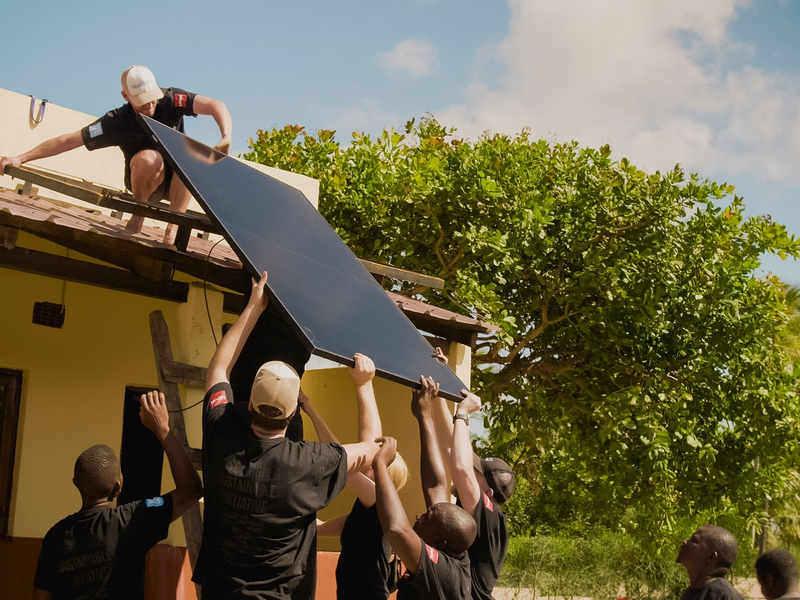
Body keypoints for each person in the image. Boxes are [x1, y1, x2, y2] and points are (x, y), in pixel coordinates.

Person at [195, 270, 381, 599]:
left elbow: (218, 370)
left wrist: (253, 307)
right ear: (295, 411)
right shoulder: (308, 463)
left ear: (249, 403)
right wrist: (364, 384)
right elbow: (372, 447)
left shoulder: (221, 433)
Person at [0, 64, 232, 245]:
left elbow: (215, 105)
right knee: (149, 158)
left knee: (190, 154)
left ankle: (172, 229)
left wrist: (226, 136)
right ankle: (138, 215)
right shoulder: (116, 122)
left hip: (179, 182)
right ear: (125, 96)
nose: (149, 105)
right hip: (145, 181)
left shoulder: (171, 100)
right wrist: (21, 158)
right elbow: (69, 140)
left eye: (151, 99)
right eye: (141, 102)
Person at [32, 391, 203, 600]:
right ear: (118, 486)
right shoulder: (132, 520)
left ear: (76, 484)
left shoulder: (55, 537)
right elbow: (191, 489)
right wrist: (162, 429)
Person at [303, 352, 410, 600]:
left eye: (375, 463)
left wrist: (311, 410)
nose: (367, 462)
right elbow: (320, 528)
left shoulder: (378, 502)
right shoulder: (365, 514)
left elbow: (339, 458)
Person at [374, 376, 477, 600]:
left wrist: (380, 464)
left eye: (426, 518)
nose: (419, 516)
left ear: (439, 543)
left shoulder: (444, 574)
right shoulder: (454, 549)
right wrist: (424, 416)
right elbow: (435, 486)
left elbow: (397, 530)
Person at [431, 347, 515, 600]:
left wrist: (464, 413)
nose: (468, 468)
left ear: (487, 492)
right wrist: (440, 387)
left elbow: (460, 468)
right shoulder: (479, 509)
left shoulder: (491, 517)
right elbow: (451, 449)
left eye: (474, 471)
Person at [677, 524, 744, 600]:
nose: (685, 542)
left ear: (710, 557)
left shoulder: (725, 596)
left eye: (694, 540)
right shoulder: (692, 591)